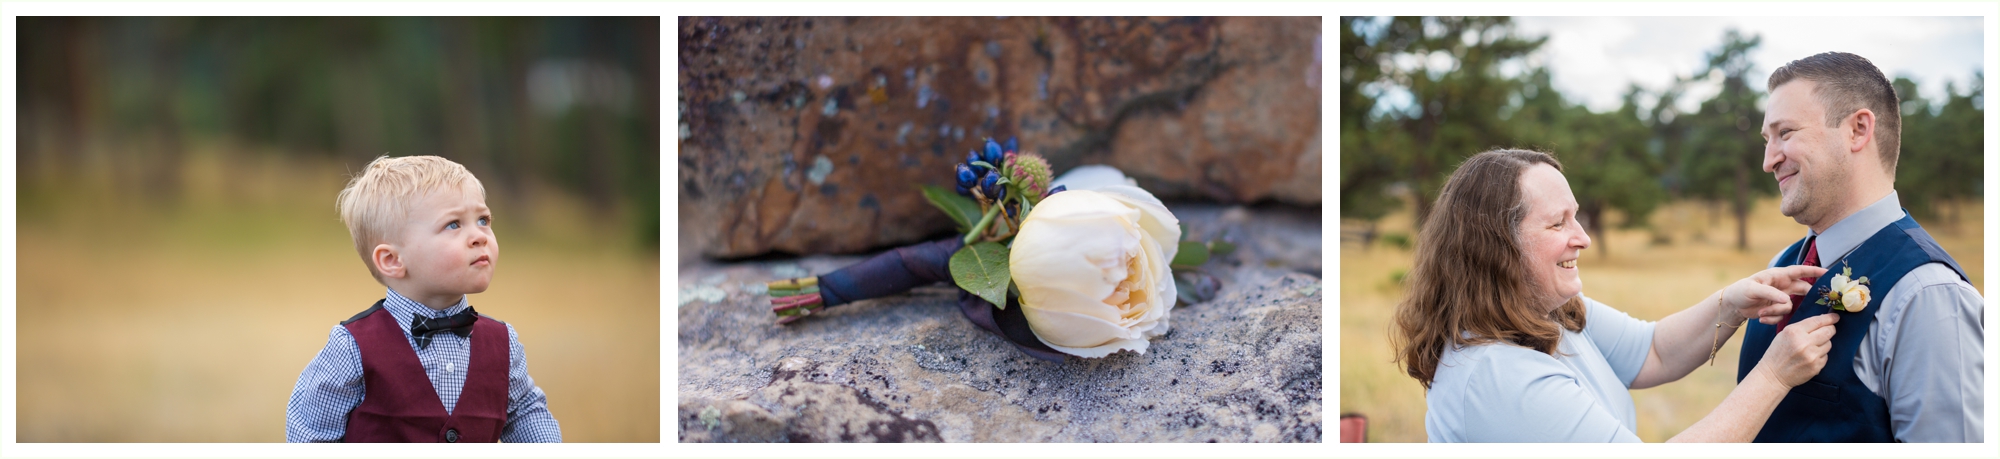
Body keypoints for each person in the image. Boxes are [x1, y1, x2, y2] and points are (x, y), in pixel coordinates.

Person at [1393, 149, 1838, 442]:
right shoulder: (1499, 377)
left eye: (1577, 217)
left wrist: (1734, 303)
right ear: (1496, 246)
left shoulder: (1551, 311)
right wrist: (1775, 377)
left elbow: (1653, 351)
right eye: (1557, 223)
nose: (1583, 237)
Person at [1739, 52, 1982, 442]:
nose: (1769, 161)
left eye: (1785, 133)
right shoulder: (1782, 265)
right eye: (1768, 140)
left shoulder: (1930, 296)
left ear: (1857, 130)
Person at [286, 155, 561, 442]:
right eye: (453, 225)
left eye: (483, 220)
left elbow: (526, 413)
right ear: (392, 260)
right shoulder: (352, 347)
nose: (479, 236)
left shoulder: (504, 345)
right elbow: (310, 434)